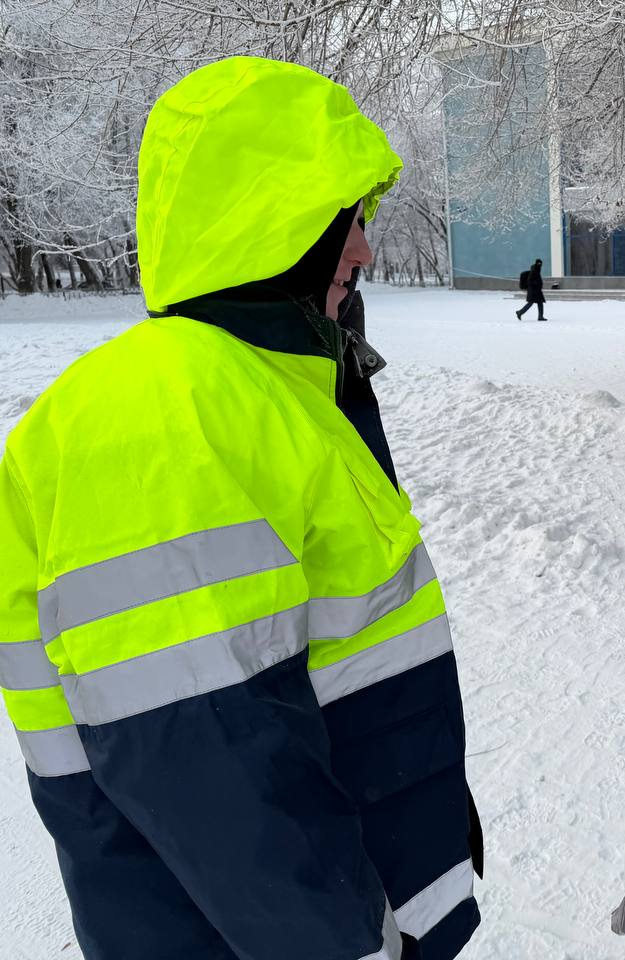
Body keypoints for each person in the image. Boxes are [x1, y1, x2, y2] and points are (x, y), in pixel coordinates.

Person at [0, 57, 481, 960]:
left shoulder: (256, 391)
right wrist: (362, 943)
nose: (367, 252)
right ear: (276, 219)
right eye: (350, 221)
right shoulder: (163, 417)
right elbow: (207, 767)